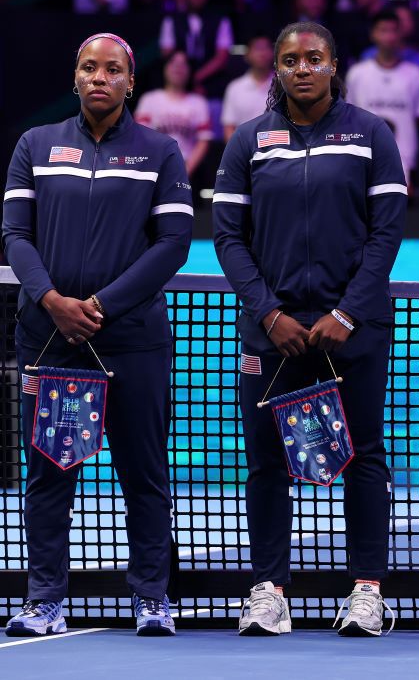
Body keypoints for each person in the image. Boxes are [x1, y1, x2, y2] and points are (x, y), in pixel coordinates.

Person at [212, 21, 407, 638]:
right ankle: (269, 591)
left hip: (354, 330)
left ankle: (367, 591)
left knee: (364, 457)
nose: (302, 68)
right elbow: (227, 237)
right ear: (276, 68)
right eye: (291, 59)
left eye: (314, 58)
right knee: (266, 461)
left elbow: (388, 232)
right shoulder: (248, 140)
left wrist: (347, 312)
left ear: (333, 65)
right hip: (271, 333)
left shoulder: (371, 134)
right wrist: (268, 313)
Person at [3, 33, 193, 637]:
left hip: (132, 340)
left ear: (130, 82)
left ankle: (152, 598)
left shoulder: (160, 151)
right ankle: (45, 601)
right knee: (50, 473)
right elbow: (15, 236)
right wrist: (53, 302)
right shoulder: (35, 145)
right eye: (89, 67)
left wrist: (102, 306)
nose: (99, 78)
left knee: (143, 472)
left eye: (113, 70)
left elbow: (173, 244)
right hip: (51, 340)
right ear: (76, 76)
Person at [344, 11, 419, 187]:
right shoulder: (357, 74)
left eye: (393, 30)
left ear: (400, 34)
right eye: (383, 30)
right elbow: (348, 118)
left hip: (404, 160)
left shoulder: (415, 75)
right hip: (363, 157)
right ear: (373, 34)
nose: (389, 36)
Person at [134, 51, 214, 178]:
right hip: (153, 166)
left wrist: (186, 170)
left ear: (190, 70)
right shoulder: (149, 99)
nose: (178, 68)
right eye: (173, 63)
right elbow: (141, 136)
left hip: (187, 168)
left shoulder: (199, 102)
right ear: (164, 67)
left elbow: (204, 140)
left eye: (183, 64)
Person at [159, 0, 234, 97]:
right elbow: (168, 55)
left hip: (212, 85)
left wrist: (195, 78)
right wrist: (185, 79)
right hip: (179, 85)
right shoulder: (171, 20)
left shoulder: (221, 20)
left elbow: (221, 58)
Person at [222, 34, 276, 140]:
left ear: (273, 54)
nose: (262, 53)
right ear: (247, 55)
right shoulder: (235, 88)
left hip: (278, 147)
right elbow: (229, 127)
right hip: (243, 148)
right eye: (257, 48)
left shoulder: (283, 86)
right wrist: (237, 149)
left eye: (265, 48)